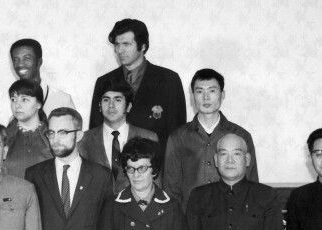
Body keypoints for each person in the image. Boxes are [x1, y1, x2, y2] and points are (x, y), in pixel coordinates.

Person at [88, 19, 186, 156]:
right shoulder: (104, 82)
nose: (120, 50)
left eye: (126, 44)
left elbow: (177, 135)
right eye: (117, 45)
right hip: (110, 168)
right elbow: (94, 134)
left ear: (143, 46)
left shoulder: (169, 80)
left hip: (154, 167)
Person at [163, 69, 258, 207]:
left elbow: (252, 184)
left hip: (232, 216)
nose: (206, 97)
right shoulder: (178, 138)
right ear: (193, 96)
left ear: (222, 95)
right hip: (191, 219)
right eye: (200, 91)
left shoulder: (241, 136)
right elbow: (171, 190)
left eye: (212, 91)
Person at [79, 79, 158, 194]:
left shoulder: (149, 137)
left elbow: (156, 183)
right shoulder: (84, 140)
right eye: (106, 100)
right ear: (100, 106)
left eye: (118, 100)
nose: (111, 105)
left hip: (137, 208)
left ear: (129, 107)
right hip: (97, 209)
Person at [0, 39, 74, 123]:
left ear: (39, 62)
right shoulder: (3, 101)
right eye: (15, 60)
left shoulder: (62, 99)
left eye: (27, 58)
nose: (20, 64)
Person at [4, 79, 52, 179]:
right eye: (13, 100)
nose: (17, 105)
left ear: (39, 104)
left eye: (24, 99)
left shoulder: (52, 136)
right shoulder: (3, 137)